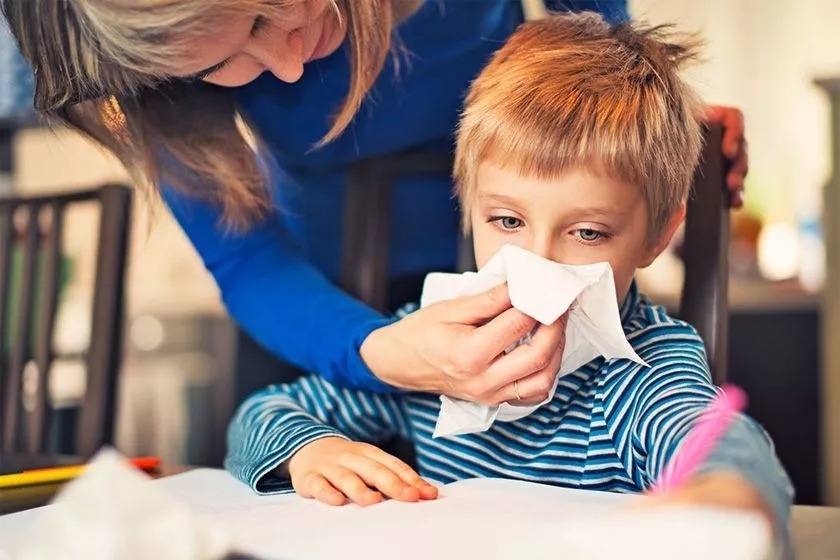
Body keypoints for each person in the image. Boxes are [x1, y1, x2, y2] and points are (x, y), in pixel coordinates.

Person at [1, 0, 749, 406]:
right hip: (335, 316)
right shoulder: (151, 86)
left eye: (264, 16)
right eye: (226, 63)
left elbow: (712, 451)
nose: (289, 65)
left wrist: (651, 131)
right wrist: (375, 353)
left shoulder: (649, 382)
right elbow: (247, 263)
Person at [224, 11, 793, 536]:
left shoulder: (644, 368)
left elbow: (716, 440)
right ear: (469, 211)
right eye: (507, 220)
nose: (535, 262)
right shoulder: (436, 346)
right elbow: (263, 413)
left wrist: (726, 492)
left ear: (657, 237)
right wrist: (310, 450)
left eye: (587, 232)